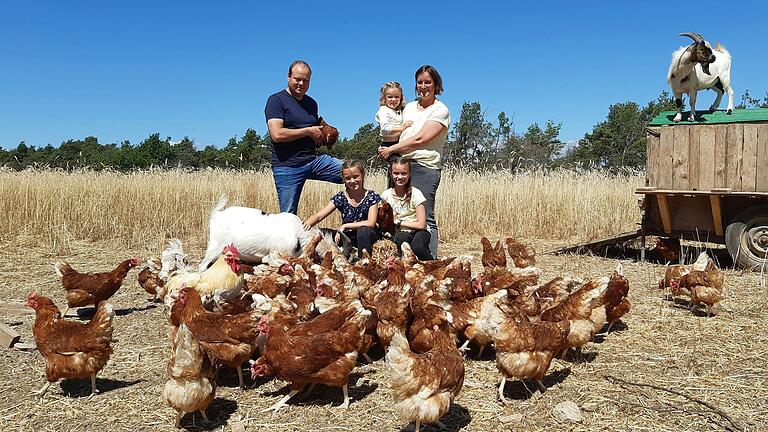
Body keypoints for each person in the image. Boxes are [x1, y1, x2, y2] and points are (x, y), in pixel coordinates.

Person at [378, 65, 449, 258]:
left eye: (428, 82)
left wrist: (391, 150)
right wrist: (385, 146)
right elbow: (393, 128)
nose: (423, 86)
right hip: (401, 165)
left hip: (425, 166)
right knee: (394, 212)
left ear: (436, 85)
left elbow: (421, 139)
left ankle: (430, 262)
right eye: (420, 82)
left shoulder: (440, 110)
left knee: (426, 217)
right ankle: (401, 261)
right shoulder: (408, 108)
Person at [265, 60, 343, 214]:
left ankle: (354, 218)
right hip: (287, 166)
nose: (301, 83)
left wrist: (325, 134)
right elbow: (277, 134)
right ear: (288, 77)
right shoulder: (276, 100)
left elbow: (316, 127)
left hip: (313, 160)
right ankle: (289, 238)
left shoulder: (311, 103)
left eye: (305, 80)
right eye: (297, 79)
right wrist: (308, 131)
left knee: (351, 173)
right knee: (288, 216)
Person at [303, 159, 381, 259]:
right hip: (348, 238)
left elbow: (371, 223)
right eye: (348, 178)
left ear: (363, 175)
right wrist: (306, 225)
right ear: (344, 179)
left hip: (367, 237)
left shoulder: (371, 196)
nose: (352, 181)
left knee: (363, 231)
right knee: (321, 233)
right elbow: (319, 216)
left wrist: (345, 226)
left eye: (356, 176)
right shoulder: (341, 197)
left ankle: (363, 263)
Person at [380, 156, 432, 261]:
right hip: (400, 233)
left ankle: (434, 266)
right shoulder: (386, 195)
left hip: (419, 231)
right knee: (400, 238)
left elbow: (422, 224)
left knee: (418, 247)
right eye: (396, 173)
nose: (400, 177)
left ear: (409, 174)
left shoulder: (416, 193)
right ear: (391, 173)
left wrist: (398, 222)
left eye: (403, 173)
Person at [375, 82, 413, 148]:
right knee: (397, 158)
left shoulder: (400, 111)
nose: (393, 99)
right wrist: (402, 128)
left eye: (397, 97)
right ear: (384, 98)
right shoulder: (384, 110)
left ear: (401, 98)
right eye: (390, 97)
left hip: (400, 143)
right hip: (388, 145)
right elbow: (385, 128)